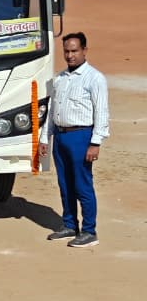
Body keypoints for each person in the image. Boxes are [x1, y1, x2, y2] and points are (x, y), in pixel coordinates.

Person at [40, 32, 109, 248]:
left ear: (84, 51)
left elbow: (102, 112)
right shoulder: (59, 79)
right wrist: (45, 138)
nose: (70, 55)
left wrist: (95, 142)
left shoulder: (95, 78)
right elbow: (52, 111)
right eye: (67, 51)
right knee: (64, 184)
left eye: (74, 51)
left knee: (82, 185)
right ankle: (69, 225)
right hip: (60, 136)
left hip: (81, 136)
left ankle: (89, 231)